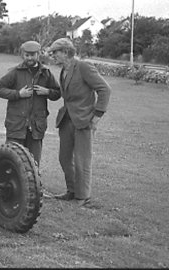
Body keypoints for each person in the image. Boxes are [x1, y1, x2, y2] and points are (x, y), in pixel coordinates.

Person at [48, 38, 111, 206]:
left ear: (66, 52)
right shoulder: (63, 70)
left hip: (84, 120)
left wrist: (97, 116)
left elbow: (104, 89)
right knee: (64, 158)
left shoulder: (83, 67)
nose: (51, 55)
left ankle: (83, 197)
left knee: (82, 159)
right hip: (67, 120)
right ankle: (72, 190)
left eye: (55, 52)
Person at [0, 40, 61, 168]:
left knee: (34, 164)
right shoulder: (15, 72)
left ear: (38, 54)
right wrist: (18, 94)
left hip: (36, 126)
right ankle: (11, 187)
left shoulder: (46, 73)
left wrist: (47, 92)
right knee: (12, 162)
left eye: (32, 55)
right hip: (16, 125)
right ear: (22, 55)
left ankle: (34, 187)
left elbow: (57, 93)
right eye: (26, 55)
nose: (29, 58)